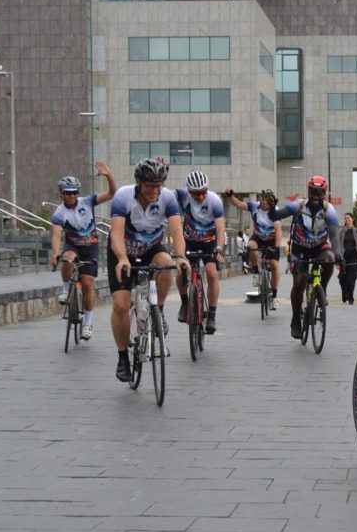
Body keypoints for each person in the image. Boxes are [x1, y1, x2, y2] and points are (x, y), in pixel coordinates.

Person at [108, 158, 189, 383]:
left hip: (150, 247)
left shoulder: (168, 198)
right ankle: (123, 356)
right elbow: (115, 234)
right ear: (138, 183)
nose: (155, 190)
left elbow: (177, 231)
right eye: (149, 186)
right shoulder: (123, 197)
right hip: (123, 250)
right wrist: (123, 258)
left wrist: (181, 257)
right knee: (121, 304)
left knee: (166, 262)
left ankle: (158, 310)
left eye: (158, 185)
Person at [49, 161, 118, 340]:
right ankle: (65, 288)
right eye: (68, 193)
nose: (72, 196)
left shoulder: (87, 202)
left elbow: (112, 193)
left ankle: (87, 323)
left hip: (90, 247)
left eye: (74, 192)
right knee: (68, 258)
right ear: (62, 194)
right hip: (73, 245)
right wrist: (55, 253)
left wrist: (108, 175)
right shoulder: (59, 213)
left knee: (87, 283)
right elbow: (56, 235)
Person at [268, 176, 342, 339]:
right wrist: (272, 207)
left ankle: (322, 290)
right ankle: (295, 319)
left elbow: (334, 236)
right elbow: (275, 217)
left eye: (319, 193)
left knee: (329, 258)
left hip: (319, 246)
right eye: (312, 192)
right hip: (300, 247)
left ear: (324, 194)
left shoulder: (329, 211)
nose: (315, 196)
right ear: (308, 192)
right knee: (300, 281)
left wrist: (337, 255)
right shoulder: (298, 205)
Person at [173, 171, 226, 334]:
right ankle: (184, 302)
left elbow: (220, 227)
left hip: (209, 243)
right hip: (189, 240)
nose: (201, 196)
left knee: (211, 273)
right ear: (189, 191)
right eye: (196, 193)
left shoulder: (215, 200)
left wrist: (219, 248)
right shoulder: (182, 195)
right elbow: (161, 194)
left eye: (204, 191)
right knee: (182, 270)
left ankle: (211, 315)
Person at [225, 188, 282, 309]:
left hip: (271, 239)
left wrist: (277, 247)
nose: (265, 204)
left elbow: (278, 231)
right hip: (258, 237)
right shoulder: (255, 206)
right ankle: (255, 271)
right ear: (260, 199)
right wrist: (230, 196)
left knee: (274, 265)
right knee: (250, 245)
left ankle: (275, 297)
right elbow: (239, 204)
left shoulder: (275, 211)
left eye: (268, 202)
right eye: (263, 201)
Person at [337, 212, 357, 304]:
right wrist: (337, 257)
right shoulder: (341, 231)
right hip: (343, 256)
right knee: (342, 278)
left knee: (352, 277)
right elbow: (338, 244)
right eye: (345, 218)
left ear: (352, 219)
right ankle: (344, 293)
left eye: (348, 218)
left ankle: (350, 297)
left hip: (354, 256)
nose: (347, 220)